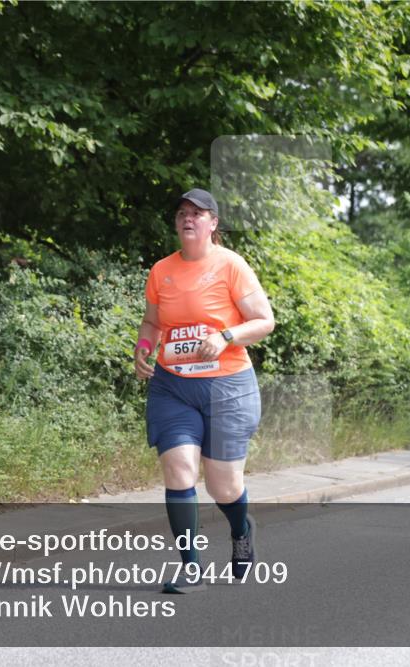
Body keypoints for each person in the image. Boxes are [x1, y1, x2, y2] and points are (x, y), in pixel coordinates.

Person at [134, 188, 275, 592]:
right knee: (179, 469)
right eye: (182, 212)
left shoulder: (230, 265)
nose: (188, 218)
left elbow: (264, 321)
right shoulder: (162, 270)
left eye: (197, 213)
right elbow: (152, 322)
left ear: (213, 223)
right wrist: (143, 347)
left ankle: (241, 529)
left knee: (222, 486)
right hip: (173, 387)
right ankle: (191, 568)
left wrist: (225, 336)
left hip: (227, 389)